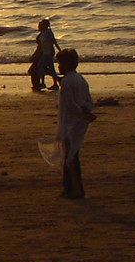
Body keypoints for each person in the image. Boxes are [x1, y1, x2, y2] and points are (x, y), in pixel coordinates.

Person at [39, 49, 96, 199]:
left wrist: (83, 113)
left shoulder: (68, 81)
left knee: (70, 158)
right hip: (78, 122)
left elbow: (71, 104)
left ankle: (75, 189)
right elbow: (88, 101)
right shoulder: (80, 79)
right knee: (71, 155)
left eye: (59, 63)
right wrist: (86, 111)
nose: (58, 66)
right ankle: (70, 188)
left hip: (70, 122)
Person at [35, 19, 61, 91]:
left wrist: (60, 50)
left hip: (49, 52)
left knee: (41, 65)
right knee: (49, 67)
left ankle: (43, 83)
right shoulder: (42, 33)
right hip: (45, 52)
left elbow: (54, 42)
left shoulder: (48, 33)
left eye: (40, 25)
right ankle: (53, 83)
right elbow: (39, 43)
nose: (38, 26)